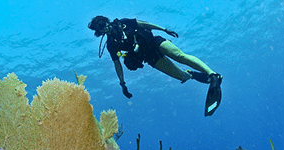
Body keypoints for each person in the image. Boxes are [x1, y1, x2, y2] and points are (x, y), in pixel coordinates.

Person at [88, 16, 223, 116]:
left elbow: (144, 25)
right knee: (180, 76)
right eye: (99, 28)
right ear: (99, 32)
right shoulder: (111, 45)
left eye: (102, 23)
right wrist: (122, 84)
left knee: (180, 56)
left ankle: (213, 75)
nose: (104, 27)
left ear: (106, 20)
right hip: (149, 57)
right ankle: (192, 74)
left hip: (154, 42)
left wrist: (164, 29)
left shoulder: (123, 22)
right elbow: (117, 64)